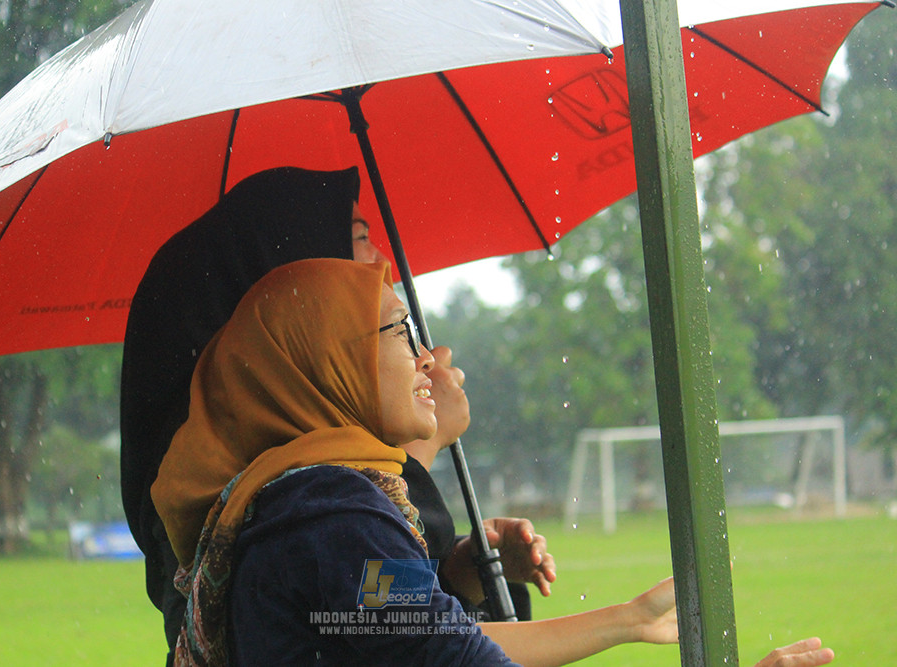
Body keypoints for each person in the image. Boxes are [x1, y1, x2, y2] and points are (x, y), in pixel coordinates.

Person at [152, 258, 678, 666]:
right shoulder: (330, 511)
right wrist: (625, 622)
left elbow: (424, 637)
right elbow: (452, 656)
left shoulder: (296, 504)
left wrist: (628, 620)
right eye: (401, 333)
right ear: (328, 360)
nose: (428, 356)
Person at [121, 166, 548, 663]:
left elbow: (373, 615)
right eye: (359, 237)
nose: (380, 262)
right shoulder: (306, 497)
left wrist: (463, 570)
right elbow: (416, 640)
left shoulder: (305, 485)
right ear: (293, 265)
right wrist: (422, 447)